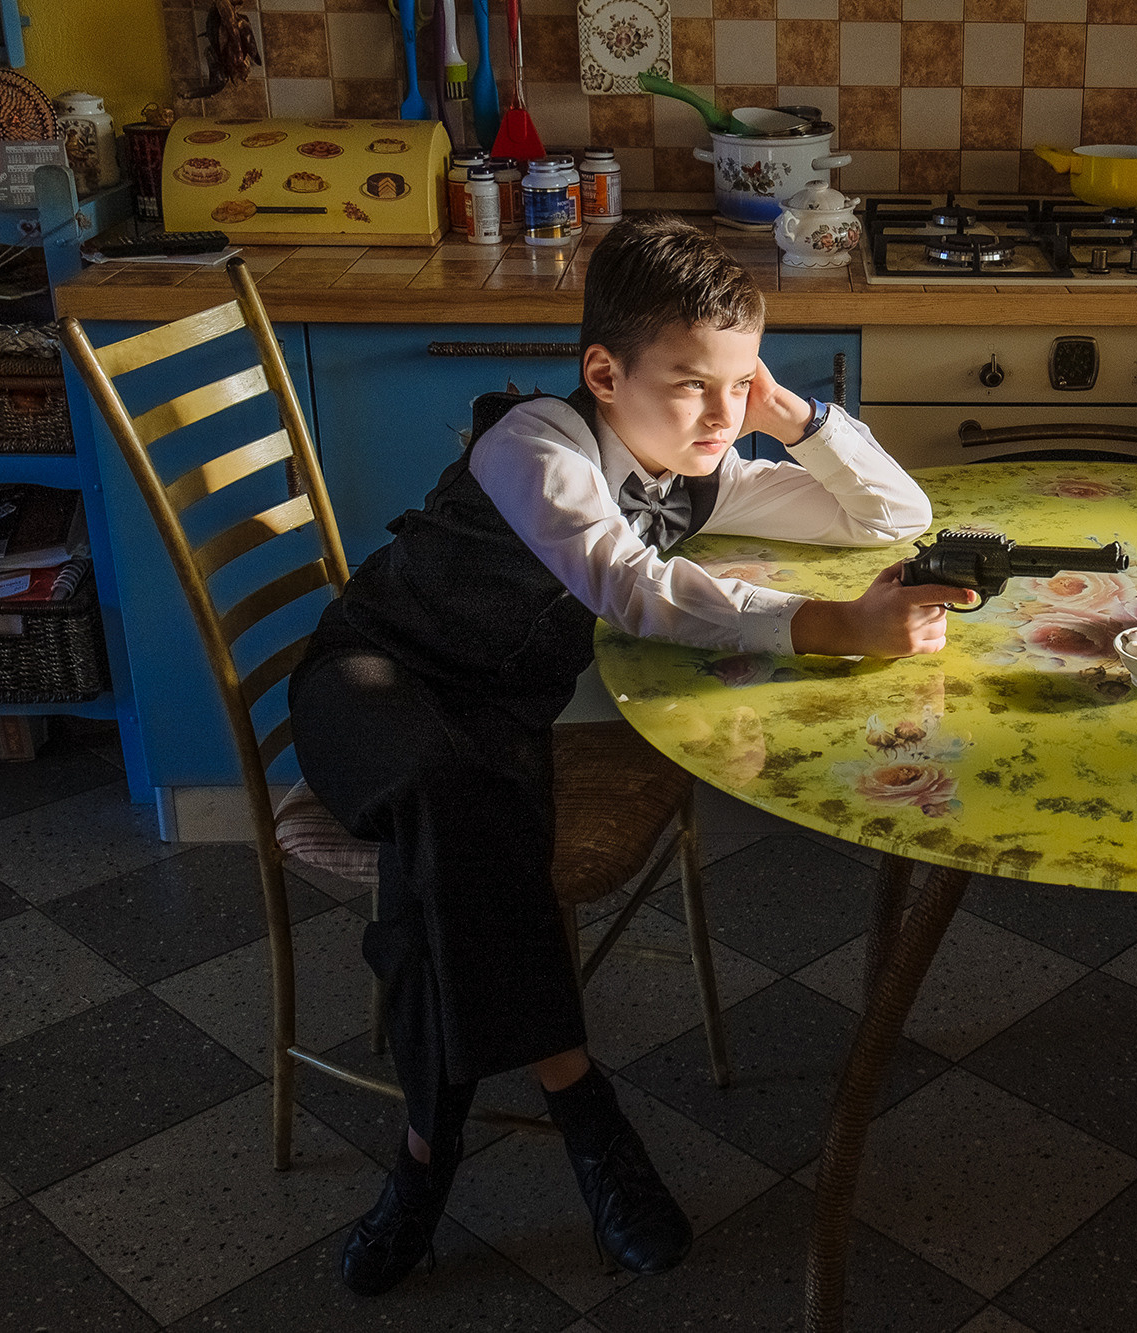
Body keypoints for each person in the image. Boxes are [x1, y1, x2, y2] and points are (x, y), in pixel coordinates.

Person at [287, 215, 964, 1297]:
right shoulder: (532, 443)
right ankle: (583, 1107)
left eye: (738, 384)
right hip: (371, 684)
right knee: (446, 800)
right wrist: (833, 625)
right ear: (603, 371)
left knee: (443, 865)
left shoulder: (710, 470)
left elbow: (893, 513)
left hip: (500, 721)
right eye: (690, 382)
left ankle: (425, 1160)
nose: (720, 412)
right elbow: (631, 589)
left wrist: (783, 409)